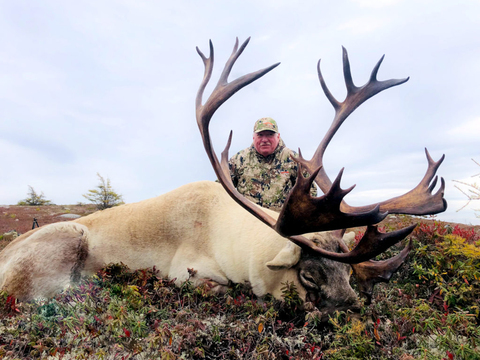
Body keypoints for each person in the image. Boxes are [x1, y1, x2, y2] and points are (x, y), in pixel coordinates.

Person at [229, 117, 317, 212]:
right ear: (253, 137)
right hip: (246, 221)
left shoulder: (293, 159)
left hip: (280, 222)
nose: (265, 140)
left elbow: (310, 191)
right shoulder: (239, 159)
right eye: (260, 135)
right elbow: (221, 188)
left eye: (270, 135)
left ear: (278, 137)